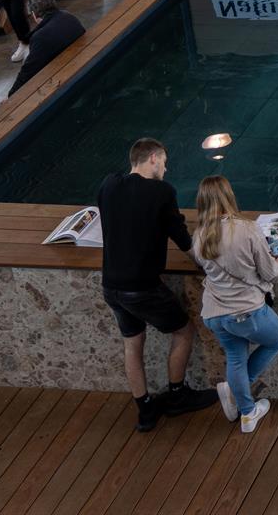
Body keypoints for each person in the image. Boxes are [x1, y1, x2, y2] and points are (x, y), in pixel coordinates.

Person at [98, 137, 221, 431]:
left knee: (132, 343)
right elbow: (181, 238)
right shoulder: (161, 191)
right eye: (164, 162)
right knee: (184, 331)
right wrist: (206, 265)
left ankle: (145, 410)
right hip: (142, 287)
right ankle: (177, 395)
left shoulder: (108, 184)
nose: (165, 169)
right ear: (153, 157)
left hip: (111, 284)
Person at [191, 175, 278, 433]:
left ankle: (247, 413)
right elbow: (268, 273)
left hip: (214, 313)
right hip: (246, 312)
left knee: (235, 357)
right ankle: (237, 394)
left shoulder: (199, 236)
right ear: (229, 197)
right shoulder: (246, 229)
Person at [10, 0, 84, 94]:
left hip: (68, 77)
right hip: (80, 59)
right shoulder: (68, 16)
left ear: (34, 14)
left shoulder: (40, 36)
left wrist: (11, 95)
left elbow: (28, 70)